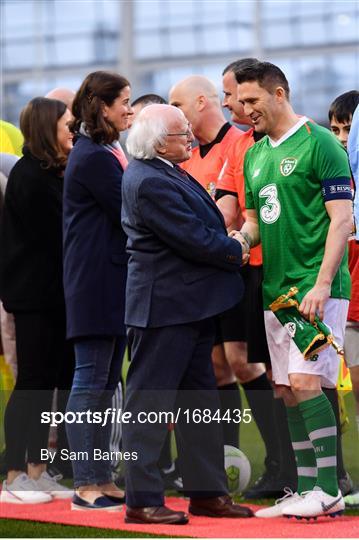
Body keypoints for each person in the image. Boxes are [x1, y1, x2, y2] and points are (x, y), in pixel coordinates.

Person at [121, 103, 253, 524]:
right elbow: (194, 239)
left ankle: (207, 492)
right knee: (150, 407)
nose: (191, 139)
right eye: (183, 134)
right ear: (161, 143)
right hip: (165, 309)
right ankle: (142, 500)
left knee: (200, 405)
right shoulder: (148, 182)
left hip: (188, 307)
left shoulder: (163, 171)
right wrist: (237, 247)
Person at [234, 61, 352, 519]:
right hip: (275, 292)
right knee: (285, 389)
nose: (245, 111)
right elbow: (254, 222)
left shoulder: (320, 143)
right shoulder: (255, 154)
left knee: (306, 382)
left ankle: (328, 488)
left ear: (279, 94)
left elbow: (342, 219)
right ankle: (307, 489)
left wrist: (323, 284)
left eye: (252, 101)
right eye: (241, 102)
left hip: (314, 290)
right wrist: (237, 244)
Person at [169, 74, 283, 495]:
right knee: (217, 368)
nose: (175, 115)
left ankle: (279, 463)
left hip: (243, 266)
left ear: (201, 102)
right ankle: (222, 464)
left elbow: (233, 212)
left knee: (245, 363)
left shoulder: (240, 142)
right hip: (207, 272)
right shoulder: (187, 157)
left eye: (178, 105)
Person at [63, 70, 132, 511]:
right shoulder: (91, 156)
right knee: (90, 383)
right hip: (95, 283)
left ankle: (102, 478)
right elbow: (130, 209)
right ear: (101, 106)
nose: (129, 108)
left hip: (111, 281)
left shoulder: (105, 149)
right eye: (123, 100)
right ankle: (85, 483)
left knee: (106, 384)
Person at [0, 98, 75, 504]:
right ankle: (14, 475)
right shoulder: (31, 176)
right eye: (67, 124)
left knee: (52, 382)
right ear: (48, 127)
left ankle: (37, 470)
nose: (73, 131)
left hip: (55, 295)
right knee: (32, 382)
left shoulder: (52, 173)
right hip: (34, 296)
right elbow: (58, 237)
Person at [329, 91, 359, 509]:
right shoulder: (333, 174)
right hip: (348, 293)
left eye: (347, 129)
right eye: (335, 129)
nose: (340, 138)